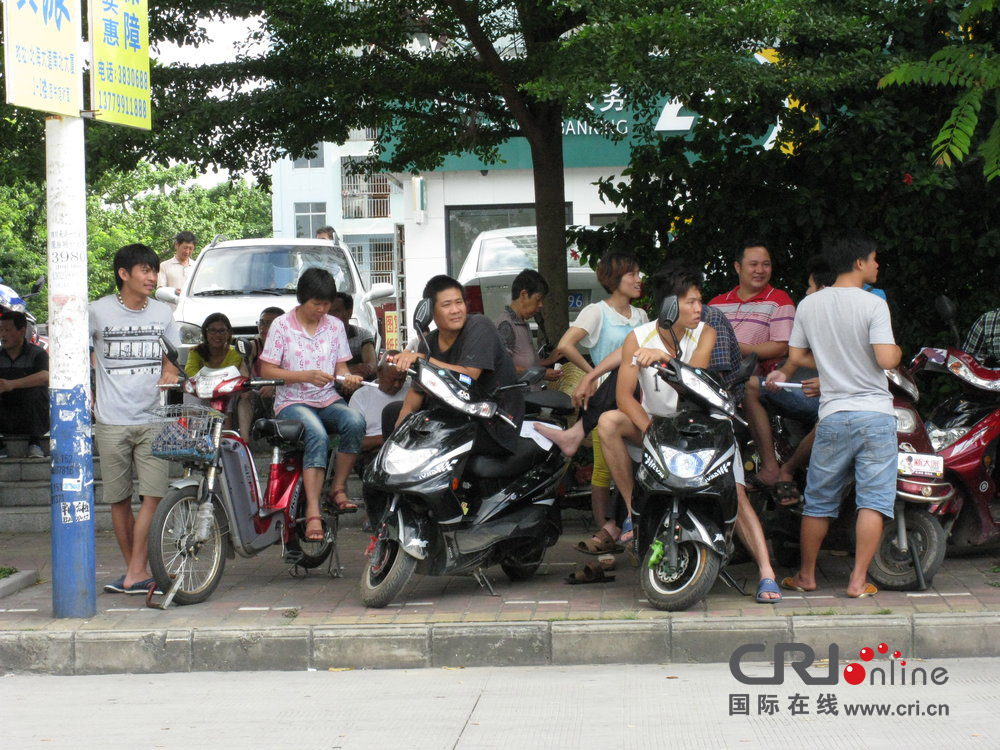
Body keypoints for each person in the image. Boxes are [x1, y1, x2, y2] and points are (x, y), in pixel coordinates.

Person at [595, 267, 782, 601]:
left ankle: (767, 572)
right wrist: (651, 431)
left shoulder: (706, 332)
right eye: (692, 302)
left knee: (736, 493)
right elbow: (624, 397)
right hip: (657, 426)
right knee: (608, 421)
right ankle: (634, 513)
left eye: (699, 301)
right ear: (670, 306)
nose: (700, 308)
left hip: (704, 424)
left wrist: (663, 359)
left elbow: (692, 381)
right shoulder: (637, 338)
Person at [768, 230, 900, 599]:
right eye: (874, 259)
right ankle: (857, 581)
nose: (877, 265)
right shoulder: (874, 304)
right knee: (873, 500)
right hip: (874, 415)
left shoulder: (809, 305)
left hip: (833, 416)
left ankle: (807, 576)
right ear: (859, 262)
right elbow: (885, 359)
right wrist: (898, 352)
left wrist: (826, 365)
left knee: (819, 501)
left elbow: (796, 357)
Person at [91, 243, 180, 595]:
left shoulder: (162, 313)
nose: (152, 277)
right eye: (145, 270)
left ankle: (135, 572)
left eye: (154, 270)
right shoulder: (97, 311)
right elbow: (74, 352)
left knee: (153, 496)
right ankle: (135, 572)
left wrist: (170, 371)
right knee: (118, 500)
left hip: (153, 417)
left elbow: (173, 357)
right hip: (110, 419)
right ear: (123, 274)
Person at [545, 250, 647, 553]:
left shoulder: (641, 316)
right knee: (604, 469)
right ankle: (606, 530)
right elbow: (566, 344)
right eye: (632, 274)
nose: (638, 279)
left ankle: (616, 528)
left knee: (630, 466)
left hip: (636, 394)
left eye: (638, 273)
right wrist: (592, 374)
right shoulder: (597, 311)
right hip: (607, 395)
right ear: (615, 279)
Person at [259, 268, 366, 540]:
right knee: (316, 433)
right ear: (302, 299)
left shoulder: (335, 326)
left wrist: (349, 378)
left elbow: (341, 368)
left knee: (355, 421)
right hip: (292, 401)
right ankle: (313, 513)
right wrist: (303, 376)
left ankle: (338, 488)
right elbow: (267, 370)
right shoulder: (282, 326)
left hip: (327, 399)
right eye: (317, 303)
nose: (322, 310)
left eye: (327, 304)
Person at [390, 275, 523, 456]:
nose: (455, 310)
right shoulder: (428, 342)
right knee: (392, 413)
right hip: (452, 416)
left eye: (459, 302)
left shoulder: (480, 326)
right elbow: (415, 395)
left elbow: (468, 376)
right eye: (446, 305)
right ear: (431, 312)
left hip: (491, 420)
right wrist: (399, 432)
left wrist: (422, 359)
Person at [745, 256, 831, 499]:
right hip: (804, 390)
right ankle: (770, 467)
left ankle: (788, 469)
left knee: (830, 418)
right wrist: (782, 373)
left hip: (837, 397)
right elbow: (796, 356)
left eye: (810, 286)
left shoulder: (860, 311)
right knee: (750, 385)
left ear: (824, 289)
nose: (807, 292)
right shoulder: (809, 312)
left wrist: (829, 383)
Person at [709, 240, 795, 371]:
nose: (760, 270)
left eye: (766, 264)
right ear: (738, 267)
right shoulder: (715, 304)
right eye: (753, 264)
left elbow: (782, 347)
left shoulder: (780, 301)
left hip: (752, 376)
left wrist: (736, 348)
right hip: (710, 372)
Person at [184, 313, 250, 433]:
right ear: (205, 333)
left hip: (225, 392)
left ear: (228, 333)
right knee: (189, 393)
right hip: (202, 392)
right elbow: (190, 372)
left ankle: (224, 437)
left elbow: (234, 375)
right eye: (212, 331)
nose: (217, 335)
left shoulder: (235, 353)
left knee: (227, 395)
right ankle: (193, 435)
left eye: (221, 331)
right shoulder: (195, 351)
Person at [495, 269, 561, 380]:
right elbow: (502, 366)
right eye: (538, 299)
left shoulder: (522, 323)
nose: (541, 305)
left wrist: (548, 361)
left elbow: (526, 364)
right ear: (524, 295)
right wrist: (541, 374)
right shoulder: (506, 325)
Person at [0, 310, 49, 458]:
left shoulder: (37, 354)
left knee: (36, 392)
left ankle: (35, 444)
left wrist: (12, 384)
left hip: (31, 416)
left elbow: (45, 376)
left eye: (7, 330)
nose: (3, 335)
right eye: (1, 330)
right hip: (5, 416)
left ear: (22, 331)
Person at [351, 351, 409, 472]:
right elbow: (354, 442)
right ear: (379, 371)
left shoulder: (411, 391)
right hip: (374, 453)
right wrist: (388, 438)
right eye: (392, 379)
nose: (397, 385)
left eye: (401, 380)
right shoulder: (361, 396)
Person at [238, 306, 283, 440]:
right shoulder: (253, 346)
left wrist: (273, 386)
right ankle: (244, 440)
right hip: (258, 391)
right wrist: (245, 386)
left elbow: (290, 373)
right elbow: (244, 371)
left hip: (283, 390)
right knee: (243, 396)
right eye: (262, 322)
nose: (263, 327)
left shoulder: (288, 346)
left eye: (269, 323)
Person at [330, 292, 377, 382]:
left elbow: (371, 366)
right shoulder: (322, 338)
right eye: (329, 312)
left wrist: (357, 378)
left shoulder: (363, 335)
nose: (331, 316)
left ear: (349, 312)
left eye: (336, 311)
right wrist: (354, 370)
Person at [157, 231, 196, 295]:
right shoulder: (164, 266)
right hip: (171, 301)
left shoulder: (196, 266)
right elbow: (160, 290)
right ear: (177, 245)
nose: (187, 251)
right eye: (185, 248)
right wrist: (174, 292)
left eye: (190, 248)